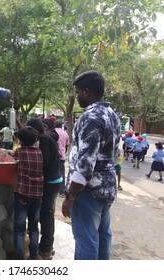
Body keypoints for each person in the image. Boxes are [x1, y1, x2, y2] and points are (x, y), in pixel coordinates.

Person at [61, 70, 121, 260]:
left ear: (87, 92)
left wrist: (70, 196)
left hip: (88, 191)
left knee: (86, 240)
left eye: (78, 92)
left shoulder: (90, 118)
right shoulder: (111, 114)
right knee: (103, 235)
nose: (77, 96)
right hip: (107, 187)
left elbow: (85, 165)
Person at [18, 117, 62, 260]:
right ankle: (48, 245)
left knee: (46, 216)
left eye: (31, 131)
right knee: (47, 214)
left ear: (37, 131)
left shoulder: (44, 141)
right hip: (54, 180)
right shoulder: (48, 137)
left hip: (51, 181)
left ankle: (45, 250)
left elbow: (44, 163)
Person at [10, 126, 44, 260]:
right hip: (37, 195)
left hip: (22, 194)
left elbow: (11, 154)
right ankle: (33, 257)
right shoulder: (40, 153)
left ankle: (19, 259)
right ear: (35, 140)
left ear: (20, 141)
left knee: (19, 229)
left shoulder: (20, 152)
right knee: (34, 228)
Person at [54, 120, 70, 196]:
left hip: (54, 157)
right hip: (62, 157)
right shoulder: (65, 134)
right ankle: (62, 191)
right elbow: (67, 146)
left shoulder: (52, 133)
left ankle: (54, 190)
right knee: (62, 173)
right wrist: (63, 152)